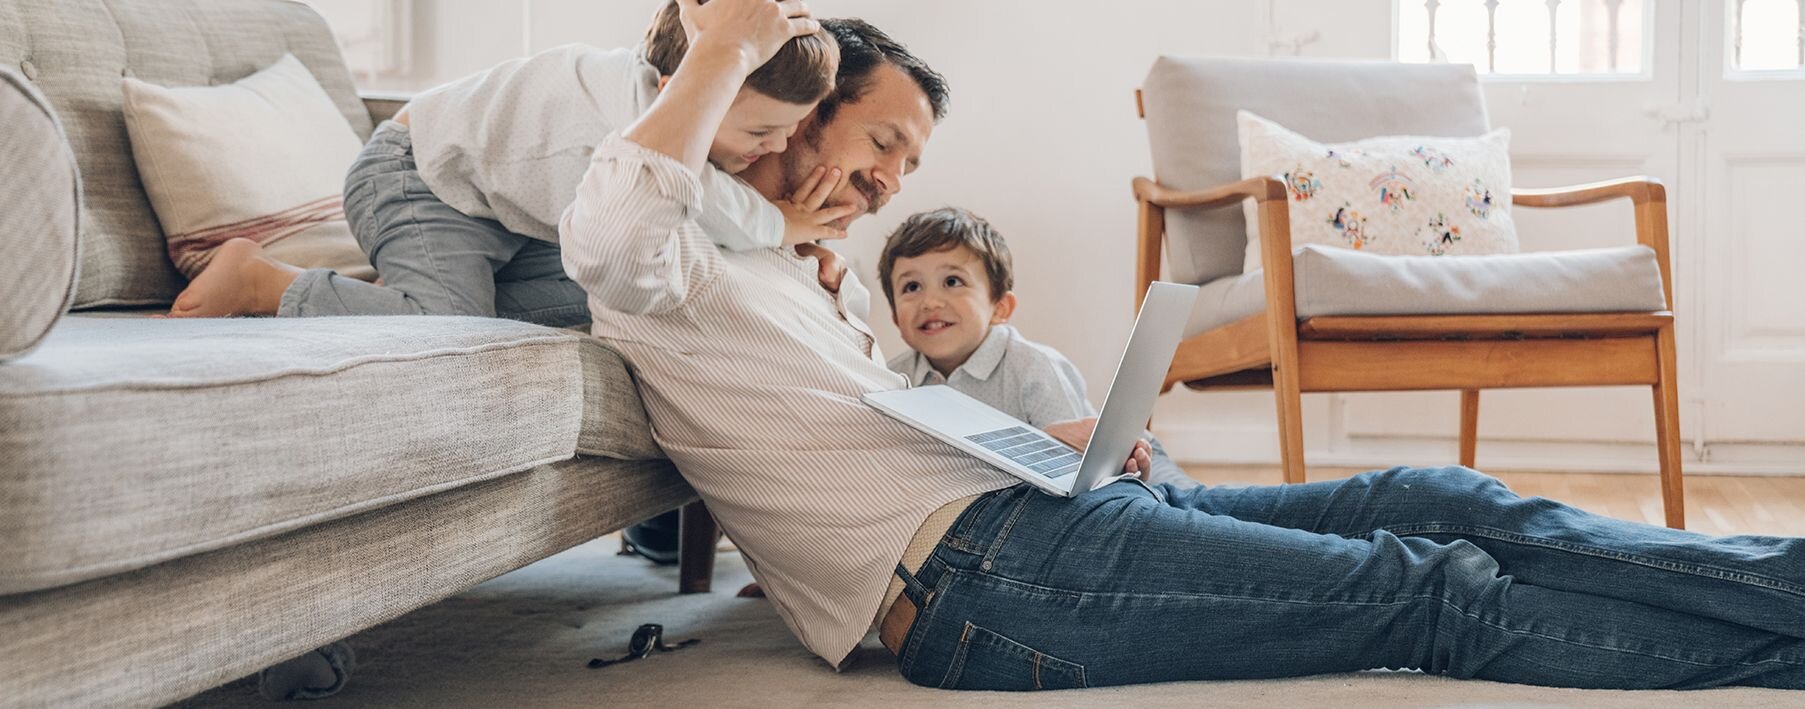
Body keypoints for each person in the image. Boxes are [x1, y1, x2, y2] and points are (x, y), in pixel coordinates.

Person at [563, 1, 1805, 692]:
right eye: (882, 143)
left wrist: (1039, 439)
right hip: (975, 584)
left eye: (906, 164)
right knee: (1423, 586)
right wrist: (726, 48)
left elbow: (859, 440)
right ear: (788, 116)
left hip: (1035, 514)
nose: (888, 183)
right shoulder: (665, 257)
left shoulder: (793, 276)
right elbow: (614, 231)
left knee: (1443, 495)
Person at [165, 0, 845, 322]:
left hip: (506, 216)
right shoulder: (631, 117)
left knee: (605, 307)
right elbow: (706, 200)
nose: (776, 148)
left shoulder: (656, 95)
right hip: (418, 180)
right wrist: (783, 223)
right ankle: (262, 280)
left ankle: (394, 294)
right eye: (763, 131)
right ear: (683, 90)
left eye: (788, 133)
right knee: (449, 329)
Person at [877, 206, 1194, 488]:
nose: (930, 302)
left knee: (1190, 501)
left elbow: (1075, 468)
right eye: (912, 287)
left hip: (1127, 457)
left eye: (952, 282)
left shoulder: (1033, 367)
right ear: (895, 317)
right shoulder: (891, 380)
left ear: (1000, 308)